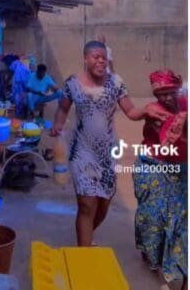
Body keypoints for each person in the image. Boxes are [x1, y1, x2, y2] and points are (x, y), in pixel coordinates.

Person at [51, 40, 165, 247]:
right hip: (81, 152)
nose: (101, 60)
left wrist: (146, 111)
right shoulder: (72, 84)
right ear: (86, 59)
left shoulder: (116, 83)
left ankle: (86, 234)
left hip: (108, 153)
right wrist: (58, 124)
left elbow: (130, 111)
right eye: (96, 56)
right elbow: (63, 108)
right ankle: (83, 253)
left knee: (103, 204)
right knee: (86, 205)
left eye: (103, 57)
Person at [133, 69, 187, 290]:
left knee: (179, 218)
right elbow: (168, 139)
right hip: (152, 165)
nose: (165, 97)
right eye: (160, 94)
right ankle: (151, 254)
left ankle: (177, 270)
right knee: (152, 216)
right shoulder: (156, 111)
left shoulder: (185, 103)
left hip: (180, 168)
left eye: (169, 92)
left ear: (177, 90)